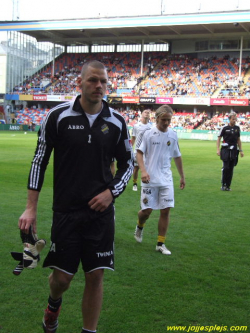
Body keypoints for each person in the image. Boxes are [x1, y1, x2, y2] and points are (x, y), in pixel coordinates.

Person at [18, 60, 133, 333]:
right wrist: (30, 208)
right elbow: (39, 161)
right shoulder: (57, 117)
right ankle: (53, 305)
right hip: (66, 212)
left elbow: (128, 165)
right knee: (62, 279)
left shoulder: (117, 122)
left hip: (100, 215)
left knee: (95, 275)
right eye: (93, 80)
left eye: (104, 81)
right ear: (79, 83)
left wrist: (111, 193)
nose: (99, 86)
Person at [133, 105, 185, 255]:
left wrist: (182, 176)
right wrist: (143, 171)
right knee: (146, 211)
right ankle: (140, 225)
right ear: (157, 118)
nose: (167, 123)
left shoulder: (173, 135)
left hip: (166, 179)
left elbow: (177, 156)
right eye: (164, 120)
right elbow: (139, 153)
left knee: (165, 210)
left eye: (169, 120)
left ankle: (160, 243)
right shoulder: (148, 134)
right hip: (149, 179)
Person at [216, 111, 244, 191]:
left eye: (235, 119)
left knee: (231, 168)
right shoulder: (224, 128)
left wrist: (241, 150)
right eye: (233, 119)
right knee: (226, 167)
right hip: (225, 150)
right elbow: (218, 139)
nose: (234, 120)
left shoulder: (237, 128)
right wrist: (218, 149)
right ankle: (223, 184)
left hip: (234, 150)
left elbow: (238, 140)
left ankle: (228, 186)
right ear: (229, 119)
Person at [131, 109, 152, 191]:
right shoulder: (136, 126)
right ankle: (135, 183)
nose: (147, 113)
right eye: (145, 112)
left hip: (147, 152)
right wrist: (130, 149)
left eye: (148, 113)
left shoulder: (151, 127)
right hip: (137, 151)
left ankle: (145, 183)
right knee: (136, 168)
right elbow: (133, 138)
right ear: (142, 114)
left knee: (147, 168)